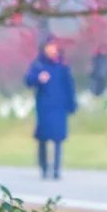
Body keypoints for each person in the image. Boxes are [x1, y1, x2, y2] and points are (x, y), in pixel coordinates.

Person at [25, 35, 77, 179]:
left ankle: (56, 169)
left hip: (59, 106)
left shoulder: (62, 66)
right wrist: (38, 78)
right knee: (43, 137)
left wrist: (71, 104)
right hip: (44, 107)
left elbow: (69, 86)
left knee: (58, 138)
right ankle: (44, 167)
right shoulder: (38, 65)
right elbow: (28, 80)